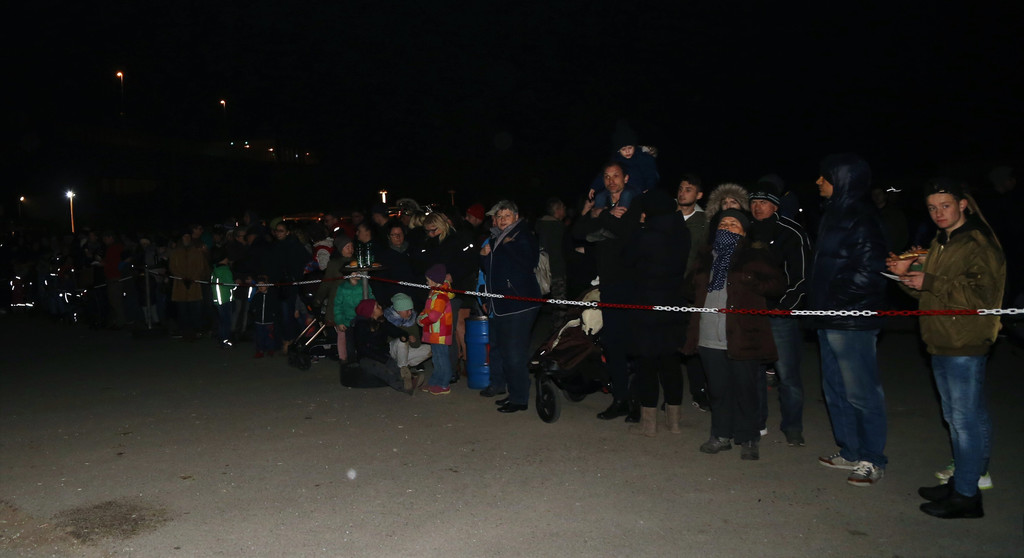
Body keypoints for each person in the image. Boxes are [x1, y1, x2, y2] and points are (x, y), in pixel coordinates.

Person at [887, 178, 1005, 519]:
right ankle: (963, 482)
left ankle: (967, 494)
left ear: (963, 205)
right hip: (941, 337)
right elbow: (930, 293)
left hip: (964, 340)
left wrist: (929, 281)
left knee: (964, 420)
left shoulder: (977, 241)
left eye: (945, 206)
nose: (938, 213)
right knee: (961, 417)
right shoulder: (943, 240)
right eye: (932, 208)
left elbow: (982, 297)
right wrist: (907, 277)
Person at [810, 153, 889, 487]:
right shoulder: (833, 213)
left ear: (842, 180)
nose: (818, 182)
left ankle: (873, 458)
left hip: (852, 319)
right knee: (836, 389)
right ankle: (851, 450)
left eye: (824, 176)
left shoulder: (862, 216)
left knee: (862, 392)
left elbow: (869, 271)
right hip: (829, 317)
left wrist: (835, 302)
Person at [684, 209, 784, 460]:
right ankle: (721, 435)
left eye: (734, 223)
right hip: (709, 333)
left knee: (745, 390)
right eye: (723, 223)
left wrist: (751, 280)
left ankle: (748, 438)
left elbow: (777, 285)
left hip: (742, 334)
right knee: (718, 390)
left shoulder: (754, 255)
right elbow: (688, 288)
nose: (727, 226)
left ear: (744, 231)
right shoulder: (706, 256)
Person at [571, 162, 642, 420]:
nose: (611, 180)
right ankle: (620, 398)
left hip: (633, 284)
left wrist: (601, 217)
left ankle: (638, 403)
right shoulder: (601, 204)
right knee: (613, 344)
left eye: (616, 176)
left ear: (626, 178)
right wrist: (600, 214)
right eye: (607, 176)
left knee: (635, 344)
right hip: (609, 285)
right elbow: (578, 232)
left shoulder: (635, 203)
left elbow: (626, 232)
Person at [747, 181, 812, 447]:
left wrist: (784, 307)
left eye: (763, 202)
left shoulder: (791, 232)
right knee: (754, 372)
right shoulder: (745, 230)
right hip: (751, 314)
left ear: (775, 205)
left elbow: (802, 276)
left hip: (780, 314)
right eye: (753, 202)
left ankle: (793, 426)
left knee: (788, 375)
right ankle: (757, 422)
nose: (757, 207)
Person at [623, 189, 690, 436]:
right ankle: (674, 422)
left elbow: (626, 261)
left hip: (646, 307)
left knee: (647, 364)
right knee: (671, 363)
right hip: (673, 304)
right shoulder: (682, 232)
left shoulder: (646, 236)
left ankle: (649, 424)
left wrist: (637, 226)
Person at [480, 200, 543, 413]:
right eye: (499, 216)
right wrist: (484, 256)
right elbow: (491, 271)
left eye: (507, 216)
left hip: (520, 302)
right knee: (508, 352)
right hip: (502, 303)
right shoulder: (497, 237)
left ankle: (519, 399)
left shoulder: (522, 235)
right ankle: (515, 393)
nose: (502, 220)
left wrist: (506, 246)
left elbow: (528, 262)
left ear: (516, 217)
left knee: (514, 353)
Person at [674, 174, 711, 411]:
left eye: (688, 189)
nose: (683, 192)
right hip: (665, 289)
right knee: (666, 344)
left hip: (690, 292)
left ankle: (699, 391)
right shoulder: (666, 216)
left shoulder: (705, 222)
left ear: (699, 195)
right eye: (680, 188)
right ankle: (670, 396)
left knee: (692, 343)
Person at [352, 299, 416, 394]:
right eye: (377, 307)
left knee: (395, 367)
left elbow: (393, 330)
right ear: (371, 312)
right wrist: (381, 358)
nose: (380, 307)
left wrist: (403, 334)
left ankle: (411, 379)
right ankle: (404, 387)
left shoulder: (381, 322)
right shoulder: (361, 326)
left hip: (382, 354)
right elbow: (363, 349)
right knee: (385, 372)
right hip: (367, 358)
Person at [418, 264, 455, 395]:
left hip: (440, 333)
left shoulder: (440, 296)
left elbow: (433, 316)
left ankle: (444, 384)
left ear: (434, 280)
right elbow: (428, 310)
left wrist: (422, 320)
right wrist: (422, 315)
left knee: (441, 359)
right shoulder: (434, 293)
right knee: (437, 359)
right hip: (435, 333)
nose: (426, 282)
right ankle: (435, 382)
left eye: (428, 280)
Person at [169, 228, 209, 340]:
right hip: (180, 285)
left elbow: (200, 267)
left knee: (195, 309)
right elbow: (173, 267)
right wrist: (182, 277)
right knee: (182, 310)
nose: (186, 238)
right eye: (184, 236)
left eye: (188, 236)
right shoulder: (176, 252)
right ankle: (184, 330)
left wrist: (193, 277)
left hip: (194, 284)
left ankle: (196, 330)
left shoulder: (196, 251)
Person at [384, 293, 432, 386]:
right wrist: (404, 337)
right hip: (392, 352)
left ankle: (403, 369)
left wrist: (414, 341)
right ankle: (405, 374)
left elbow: (417, 345)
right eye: (407, 310)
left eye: (411, 309)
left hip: (406, 353)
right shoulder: (387, 320)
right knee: (402, 340)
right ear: (398, 311)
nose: (410, 313)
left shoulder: (411, 321)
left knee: (430, 349)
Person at [535, 197, 569, 319]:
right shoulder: (558, 227)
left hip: (541, 270)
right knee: (560, 304)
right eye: (563, 208)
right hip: (556, 270)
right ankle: (559, 328)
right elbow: (565, 250)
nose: (565, 210)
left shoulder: (540, 226)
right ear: (557, 210)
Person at [333, 264, 367, 364]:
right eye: (354, 272)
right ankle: (351, 363)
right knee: (349, 343)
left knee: (362, 342)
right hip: (348, 321)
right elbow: (337, 305)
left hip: (362, 319)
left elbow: (370, 298)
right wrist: (340, 321)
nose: (357, 273)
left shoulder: (364, 285)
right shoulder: (342, 288)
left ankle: (363, 362)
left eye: (358, 271)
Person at [210, 247, 235, 348]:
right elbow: (230, 285)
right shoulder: (225, 270)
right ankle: (225, 340)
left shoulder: (215, 269)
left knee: (221, 321)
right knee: (226, 321)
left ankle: (221, 339)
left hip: (218, 299)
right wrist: (236, 284)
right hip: (225, 299)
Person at [249, 274, 278, 358]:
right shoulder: (257, 296)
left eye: (262, 285)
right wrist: (254, 312)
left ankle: (270, 349)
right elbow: (252, 306)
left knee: (269, 336)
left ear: (267, 285)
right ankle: (260, 350)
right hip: (258, 321)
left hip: (269, 321)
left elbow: (275, 307)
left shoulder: (271, 296)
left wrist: (273, 314)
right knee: (259, 337)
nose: (261, 287)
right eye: (259, 285)